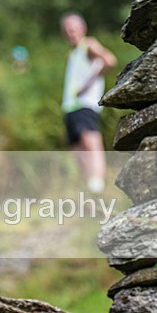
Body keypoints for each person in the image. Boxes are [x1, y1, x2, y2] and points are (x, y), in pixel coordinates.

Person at [59, 12, 116, 194]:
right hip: (70, 107)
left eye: (73, 28)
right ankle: (90, 187)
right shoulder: (72, 54)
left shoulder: (89, 45)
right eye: (67, 30)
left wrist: (88, 84)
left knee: (90, 142)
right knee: (76, 149)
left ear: (82, 29)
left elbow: (109, 60)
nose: (70, 32)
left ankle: (98, 183)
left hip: (85, 104)